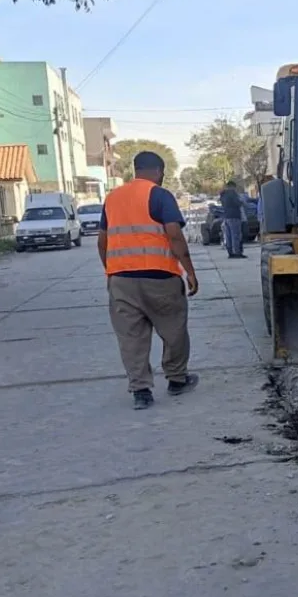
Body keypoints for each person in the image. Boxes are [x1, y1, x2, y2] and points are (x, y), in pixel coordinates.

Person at [98, 151, 199, 410]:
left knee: (131, 337)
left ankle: (141, 391)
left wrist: (111, 271)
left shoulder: (112, 198)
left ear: (135, 170)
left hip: (122, 280)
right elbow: (175, 236)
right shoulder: (159, 195)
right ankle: (177, 379)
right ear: (159, 171)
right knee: (174, 329)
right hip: (160, 277)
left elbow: (103, 240)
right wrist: (189, 271)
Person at [218, 180, 245, 259]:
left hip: (226, 216)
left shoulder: (223, 195)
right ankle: (237, 252)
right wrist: (242, 202)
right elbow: (237, 203)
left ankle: (230, 252)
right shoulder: (232, 193)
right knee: (235, 235)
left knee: (228, 236)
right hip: (235, 216)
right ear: (233, 186)